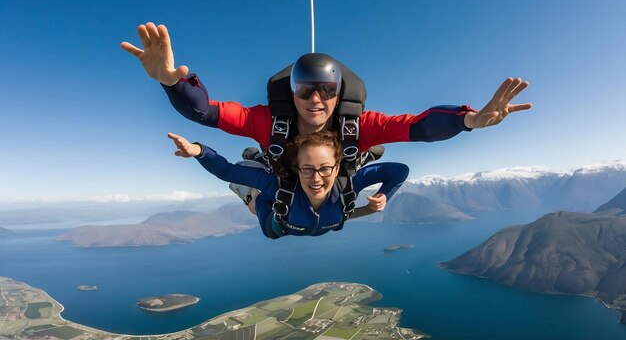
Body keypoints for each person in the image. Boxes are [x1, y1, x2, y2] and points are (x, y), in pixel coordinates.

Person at [121, 22, 531, 213]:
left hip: (334, 170)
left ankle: (360, 159)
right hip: (280, 171)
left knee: (377, 144)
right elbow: (208, 113)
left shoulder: (360, 126)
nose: (316, 99)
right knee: (252, 177)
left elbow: (419, 127)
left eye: (327, 90)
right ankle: (250, 178)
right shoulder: (269, 121)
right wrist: (172, 84)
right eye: (305, 90)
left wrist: (468, 122)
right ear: (292, 91)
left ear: (339, 93)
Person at [167, 130, 409, 239]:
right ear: (297, 169)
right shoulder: (278, 188)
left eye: (325, 169)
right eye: (307, 169)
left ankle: (259, 158)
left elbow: (400, 171)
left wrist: (384, 194)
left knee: (337, 198)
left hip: (328, 219)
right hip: (274, 222)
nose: (316, 178)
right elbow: (226, 171)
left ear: (337, 169)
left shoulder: (348, 183)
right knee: (253, 195)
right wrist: (198, 151)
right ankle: (258, 161)